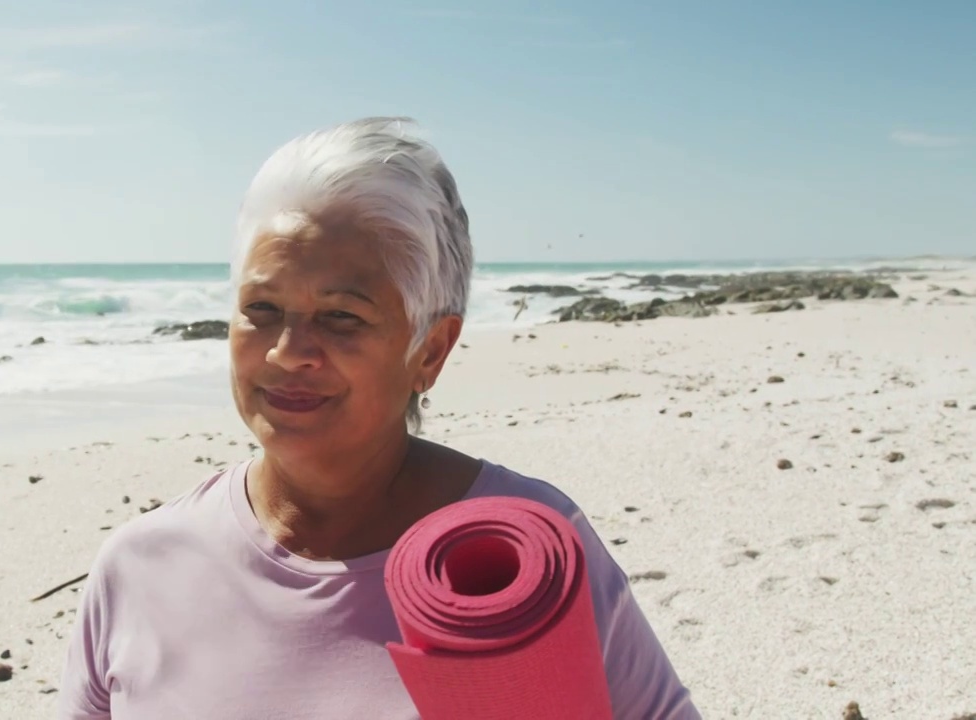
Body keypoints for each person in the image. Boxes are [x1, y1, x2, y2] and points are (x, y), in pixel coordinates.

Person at [58, 117, 700, 719]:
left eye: (341, 316)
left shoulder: (523, 555)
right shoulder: (139, 566)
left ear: (431, 350)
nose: (288, 352)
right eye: (262, 308)